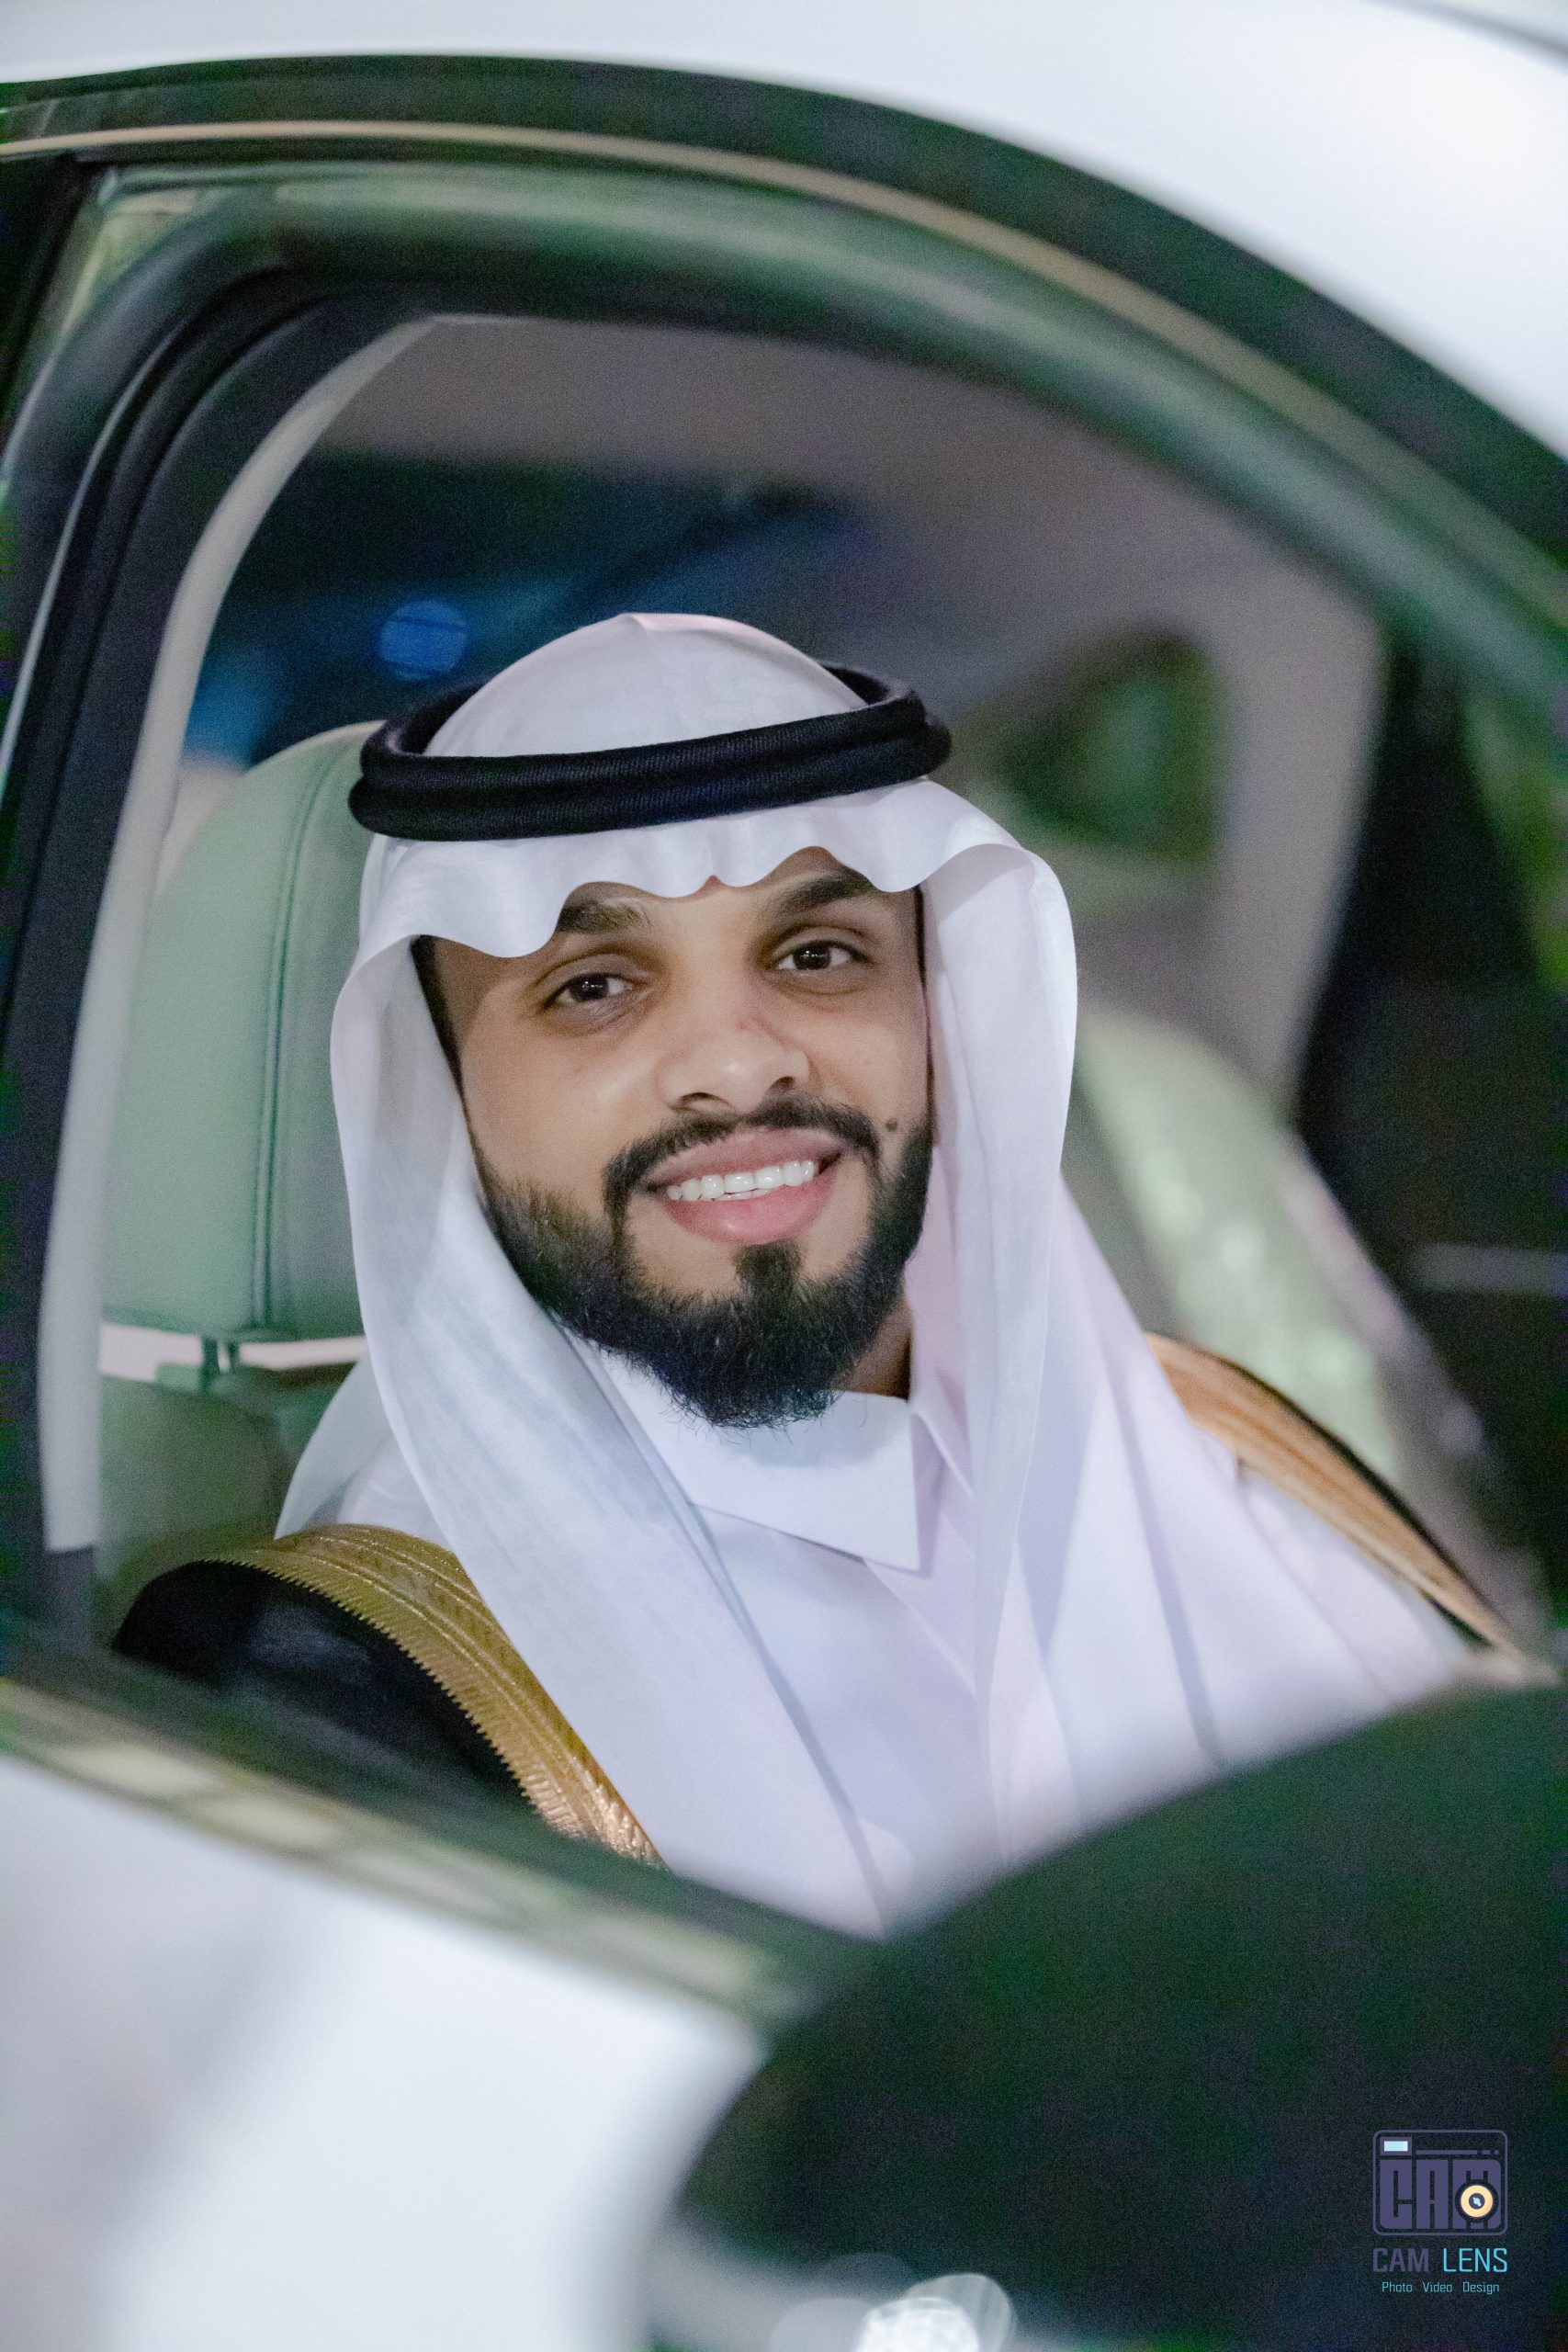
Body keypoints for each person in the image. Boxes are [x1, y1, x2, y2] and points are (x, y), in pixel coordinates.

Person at [117, 616, 1522, 1935]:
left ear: (937, 1013)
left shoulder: (1250, 1467)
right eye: (593, 986)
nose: (741, 1064)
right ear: (443, 1089)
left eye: (818, 953)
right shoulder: (317, 1695)